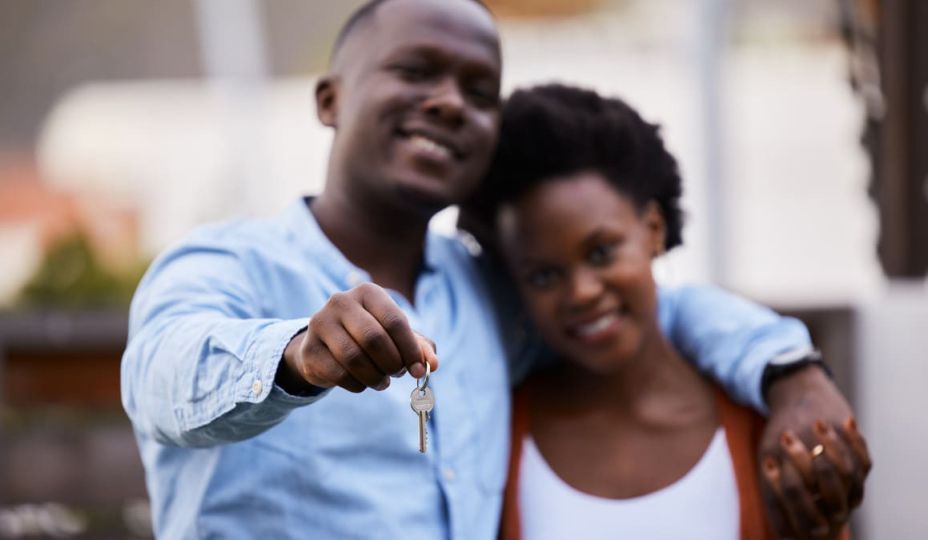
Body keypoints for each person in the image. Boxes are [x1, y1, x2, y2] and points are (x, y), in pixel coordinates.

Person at [120, 0, 868, 538]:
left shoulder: (491, 292)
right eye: (415, 71)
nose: (448, 102)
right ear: (330, 99)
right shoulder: (229, 262)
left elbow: (662, 311)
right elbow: (160, 376)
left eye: (479, 92)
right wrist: (294, 356)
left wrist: (792, 373)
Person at [468, 84, 868, 540]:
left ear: (653, 230)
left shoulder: (766, 428)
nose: (581, 291)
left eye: (601, 253)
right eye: (543, 276)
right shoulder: (494, 438)